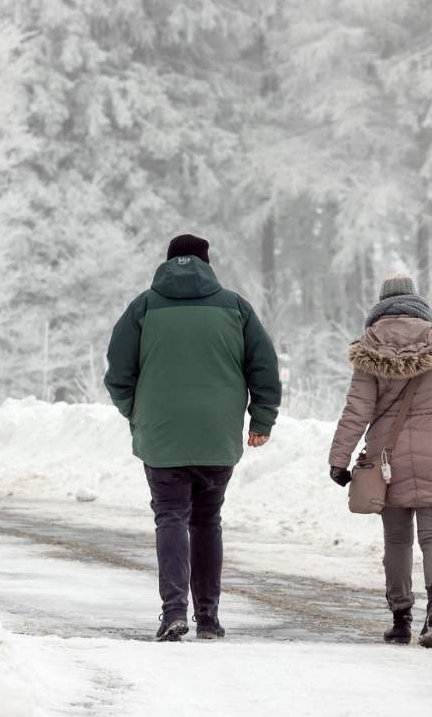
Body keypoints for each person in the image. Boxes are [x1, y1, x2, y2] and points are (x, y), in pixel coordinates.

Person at [104, 234, 281, 642]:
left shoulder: (144, 306)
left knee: (170, 517)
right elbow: (264, 367)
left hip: (162, 434)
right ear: (206, 262)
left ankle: (173, 612)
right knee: (207, 520)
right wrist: (262, 419)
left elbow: (117, 372)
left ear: (168, 262)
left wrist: (138, 411)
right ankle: (209, 616)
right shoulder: (235, 307)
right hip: (217, 435)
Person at [328, 274, 432, 649]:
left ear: (381, 306)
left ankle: (401, 618)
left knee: (397, 540)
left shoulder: (369, 350)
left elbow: (356, 410)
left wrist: (339, 459)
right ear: (417, 302)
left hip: (388, 460)